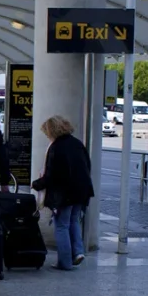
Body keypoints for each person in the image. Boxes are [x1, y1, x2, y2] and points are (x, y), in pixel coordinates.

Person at [32, 115, 95, 271]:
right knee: (74, 222)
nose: (46, 135)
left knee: (61, 225)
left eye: (46, 132)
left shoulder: (56, 147)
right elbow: (87, 166)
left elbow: (52, 175)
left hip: (64, 194)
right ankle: (78, 252)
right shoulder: (78, 144)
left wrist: (37, 184)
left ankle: (65, 262)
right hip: (81, 191)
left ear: (52, 130)